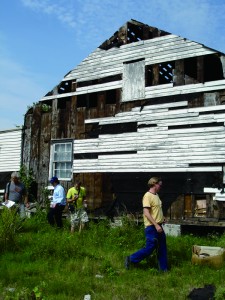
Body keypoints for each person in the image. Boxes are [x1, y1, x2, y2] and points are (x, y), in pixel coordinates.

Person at [125, 176, 168, 272]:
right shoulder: (147, 196)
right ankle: (130, 259)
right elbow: (146, 212)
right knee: (149, 248)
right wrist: (156, 225)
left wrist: (162, 218)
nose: (160, 186)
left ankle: (163, 270)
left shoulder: (156, 195)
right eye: (159, 184)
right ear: (154, 184)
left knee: (162, 249)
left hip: (158, 225)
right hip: (151, 227)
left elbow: (156, 210)